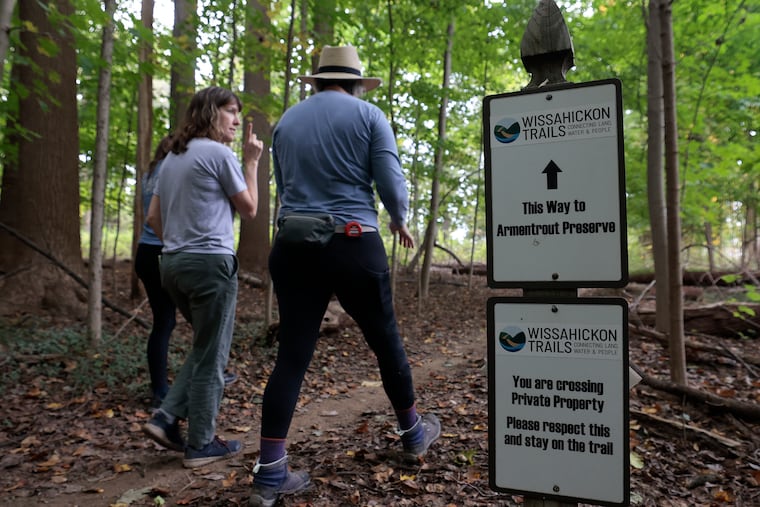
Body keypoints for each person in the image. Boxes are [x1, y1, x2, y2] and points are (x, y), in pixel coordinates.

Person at [249, 45, 440, 507]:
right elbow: (391, 183)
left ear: (317, 82)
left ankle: (270, 471)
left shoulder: (287, 122)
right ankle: (413, 432)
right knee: (385, 339)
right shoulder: (370, 116)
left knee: (293, 354)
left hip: (293, 246)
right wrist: (399, 218)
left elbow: (282, 184)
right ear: (357, 82)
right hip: (354, 241)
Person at [142, 86, 262, 469]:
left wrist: (181, 244)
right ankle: (200, 444)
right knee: (213, 357)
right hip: (210, 264)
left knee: (205, 347)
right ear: (210, 112)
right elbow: (250, 208)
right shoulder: (218, 153)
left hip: (172, 265)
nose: (237, 120)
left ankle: (165, 418)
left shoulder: (172, 159)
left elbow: (153, 220)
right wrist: (252, 162)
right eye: (230, 111)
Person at [135, 134, 238, 410]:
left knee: (169, 321)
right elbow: (157, 216)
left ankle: (178, 383)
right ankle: (164, 392)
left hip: (147, 250)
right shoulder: (171, 168)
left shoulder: (151, 173)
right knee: (177, 323)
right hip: (168, 248)